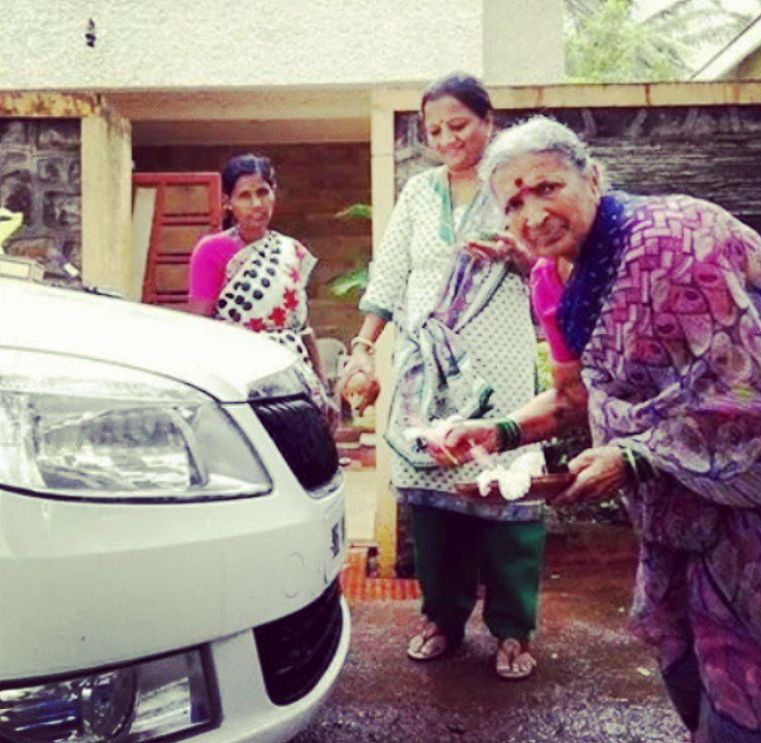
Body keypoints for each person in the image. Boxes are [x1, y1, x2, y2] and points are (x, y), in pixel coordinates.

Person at [434, 116, 761, 741]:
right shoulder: (552, 278)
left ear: (594, 177)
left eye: (548, 187)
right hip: (674, 497)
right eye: (514, 202)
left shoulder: (679, 240)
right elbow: (576, 395)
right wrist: (498, 432)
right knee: (675, 642)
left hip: (758, 485)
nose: (534, 213)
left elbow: (747, 390)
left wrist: (630, 458)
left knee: (739, 663)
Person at [338, 74, 546, 680]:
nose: (447, 138)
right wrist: (362, 349)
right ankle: (443, 619)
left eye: (459, 124)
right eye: (435, 130)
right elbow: (390, 276)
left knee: (508, 492)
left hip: (502, 369)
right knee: (434, 503)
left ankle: (512, 629)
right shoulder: (419, 194)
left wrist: (517, 256)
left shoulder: (513, 186)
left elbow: (553, 267)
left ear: (488, 121)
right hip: (427, 377)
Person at [189, 153, 332, 419]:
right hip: (238, 380)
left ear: (273, 193)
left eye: (263, 192)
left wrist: (323, 388)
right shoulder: (211, 251)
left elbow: (302, 327)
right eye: (244, 196)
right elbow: (200, 328)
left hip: (292, 378)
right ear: (228, 202)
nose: (257, 204)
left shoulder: (292, 251)